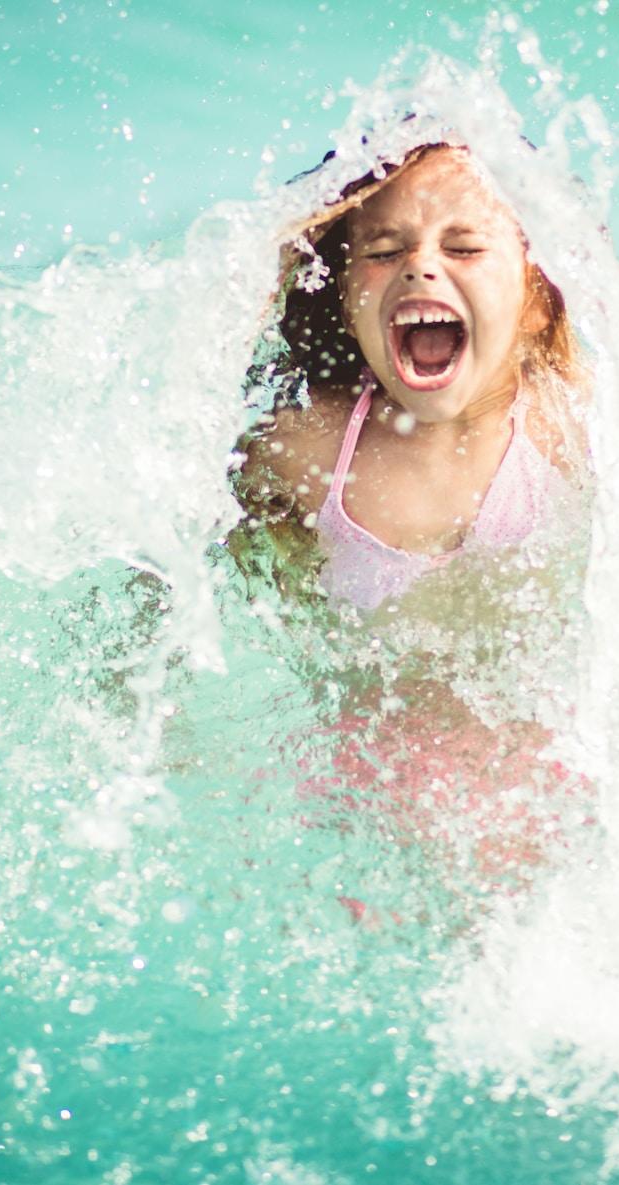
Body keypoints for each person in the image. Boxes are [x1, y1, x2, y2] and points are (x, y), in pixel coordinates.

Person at [229, 138, 594, 913]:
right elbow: (180, 559)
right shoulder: (309, 453)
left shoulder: (568, 429)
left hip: (538, 764)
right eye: (384, 250)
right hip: (361, 771)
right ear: (343, 299)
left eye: (463, 245)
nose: (422, 267)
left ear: (535, 297)